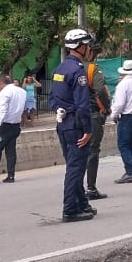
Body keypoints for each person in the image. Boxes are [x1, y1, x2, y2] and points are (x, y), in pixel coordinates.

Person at [49, 28, 99, 222]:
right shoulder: (78, 71)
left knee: (73, 165)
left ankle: (81, 203)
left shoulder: (59, 69)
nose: (89, 49)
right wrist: (87, 130)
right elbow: (83, 105)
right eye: (87, 46)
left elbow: (52, 99)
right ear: (81, 47)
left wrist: (61, 111)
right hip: (76, 124)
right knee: (76, 168)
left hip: (63, 123)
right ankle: (70, 209)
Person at [81, 39, 112, 201]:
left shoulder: (66, 68)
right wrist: (106, 107)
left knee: (77, 152)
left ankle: (76, 188)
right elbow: (100, 90)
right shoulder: (92, 68)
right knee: (93, 151)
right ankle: (91, 188)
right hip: (92, 114)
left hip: (73, 117)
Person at [0, 75, 27, 183]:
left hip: (5, 126)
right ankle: (11, 175)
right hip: (16, 125)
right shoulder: (22, 92)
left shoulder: (4, 93)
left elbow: (3, 111)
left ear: (1, 83)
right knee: (11, 150)